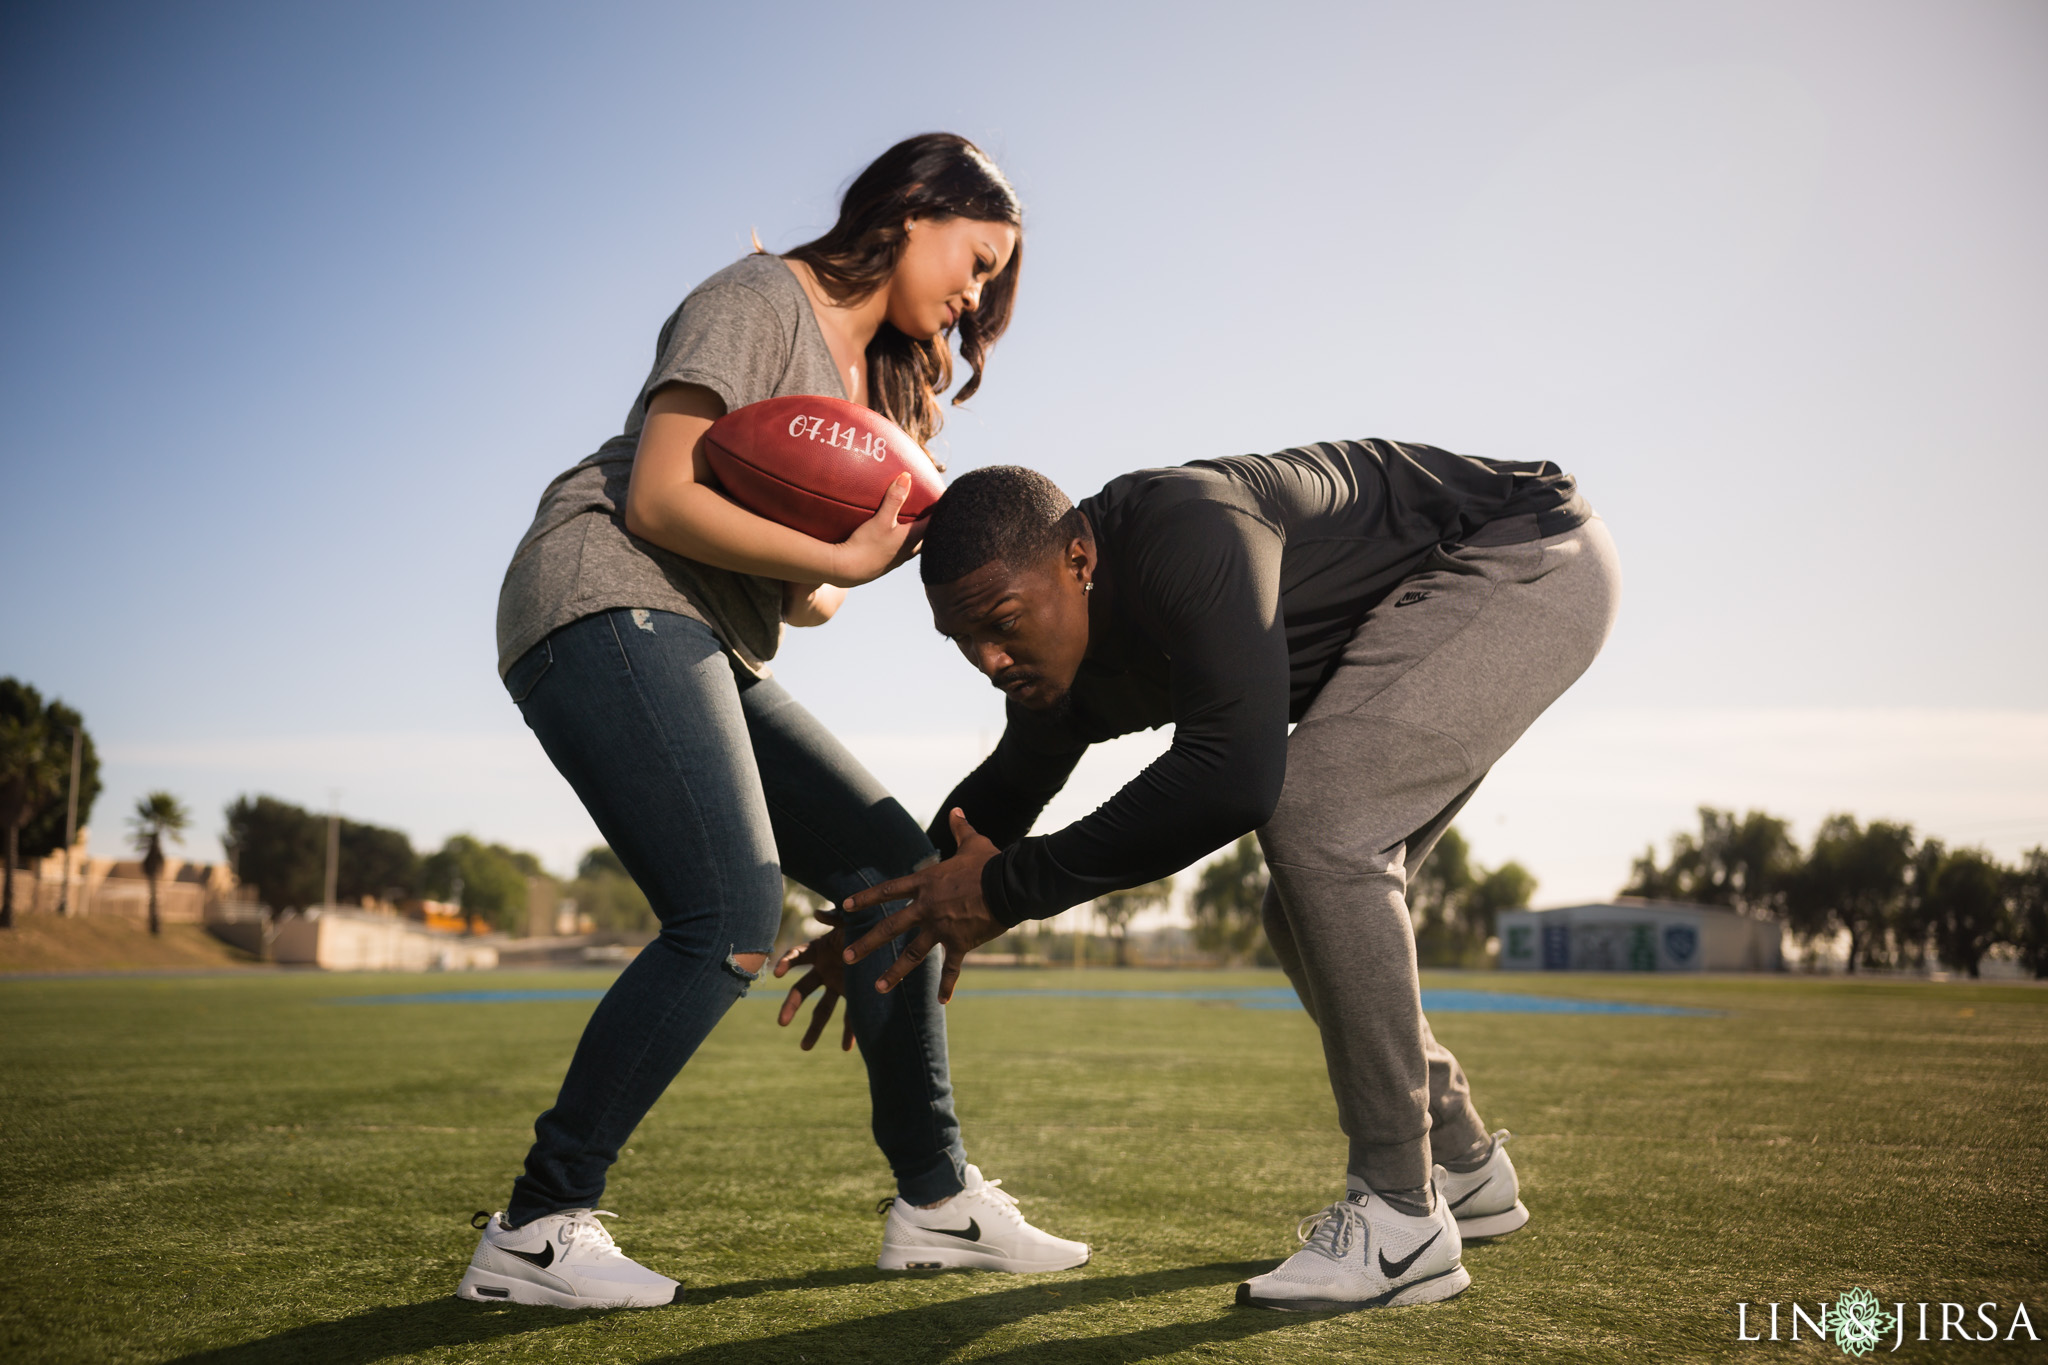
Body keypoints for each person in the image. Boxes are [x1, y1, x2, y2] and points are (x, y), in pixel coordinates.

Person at [460, 134, 1088, 1311]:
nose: (978, 292)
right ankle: (538, 1228)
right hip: (602, 591)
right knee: (729, 911)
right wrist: (842, 549)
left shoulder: (873, 395)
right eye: (977, 256)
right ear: (913, 210)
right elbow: (658, 492)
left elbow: (801, 602)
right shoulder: (759, 298)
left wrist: (863, 537)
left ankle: (936, 1202)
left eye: (995, 282)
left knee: (895, 873)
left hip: (704, 630)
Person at [837, 445, 1620, 1313]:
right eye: (962, 640)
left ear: (1079, 560)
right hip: (1458, 589)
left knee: (1317, 823)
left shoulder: (1189, 529)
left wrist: (1003, 891)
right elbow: (1002, 796)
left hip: (1523, 557)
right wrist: (889, 911)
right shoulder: (1057, 669)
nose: (987, 660)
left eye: (1004, 621)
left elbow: (1232, 780)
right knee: (1303, 904)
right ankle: (1463, 1164)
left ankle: (1402, 1214)